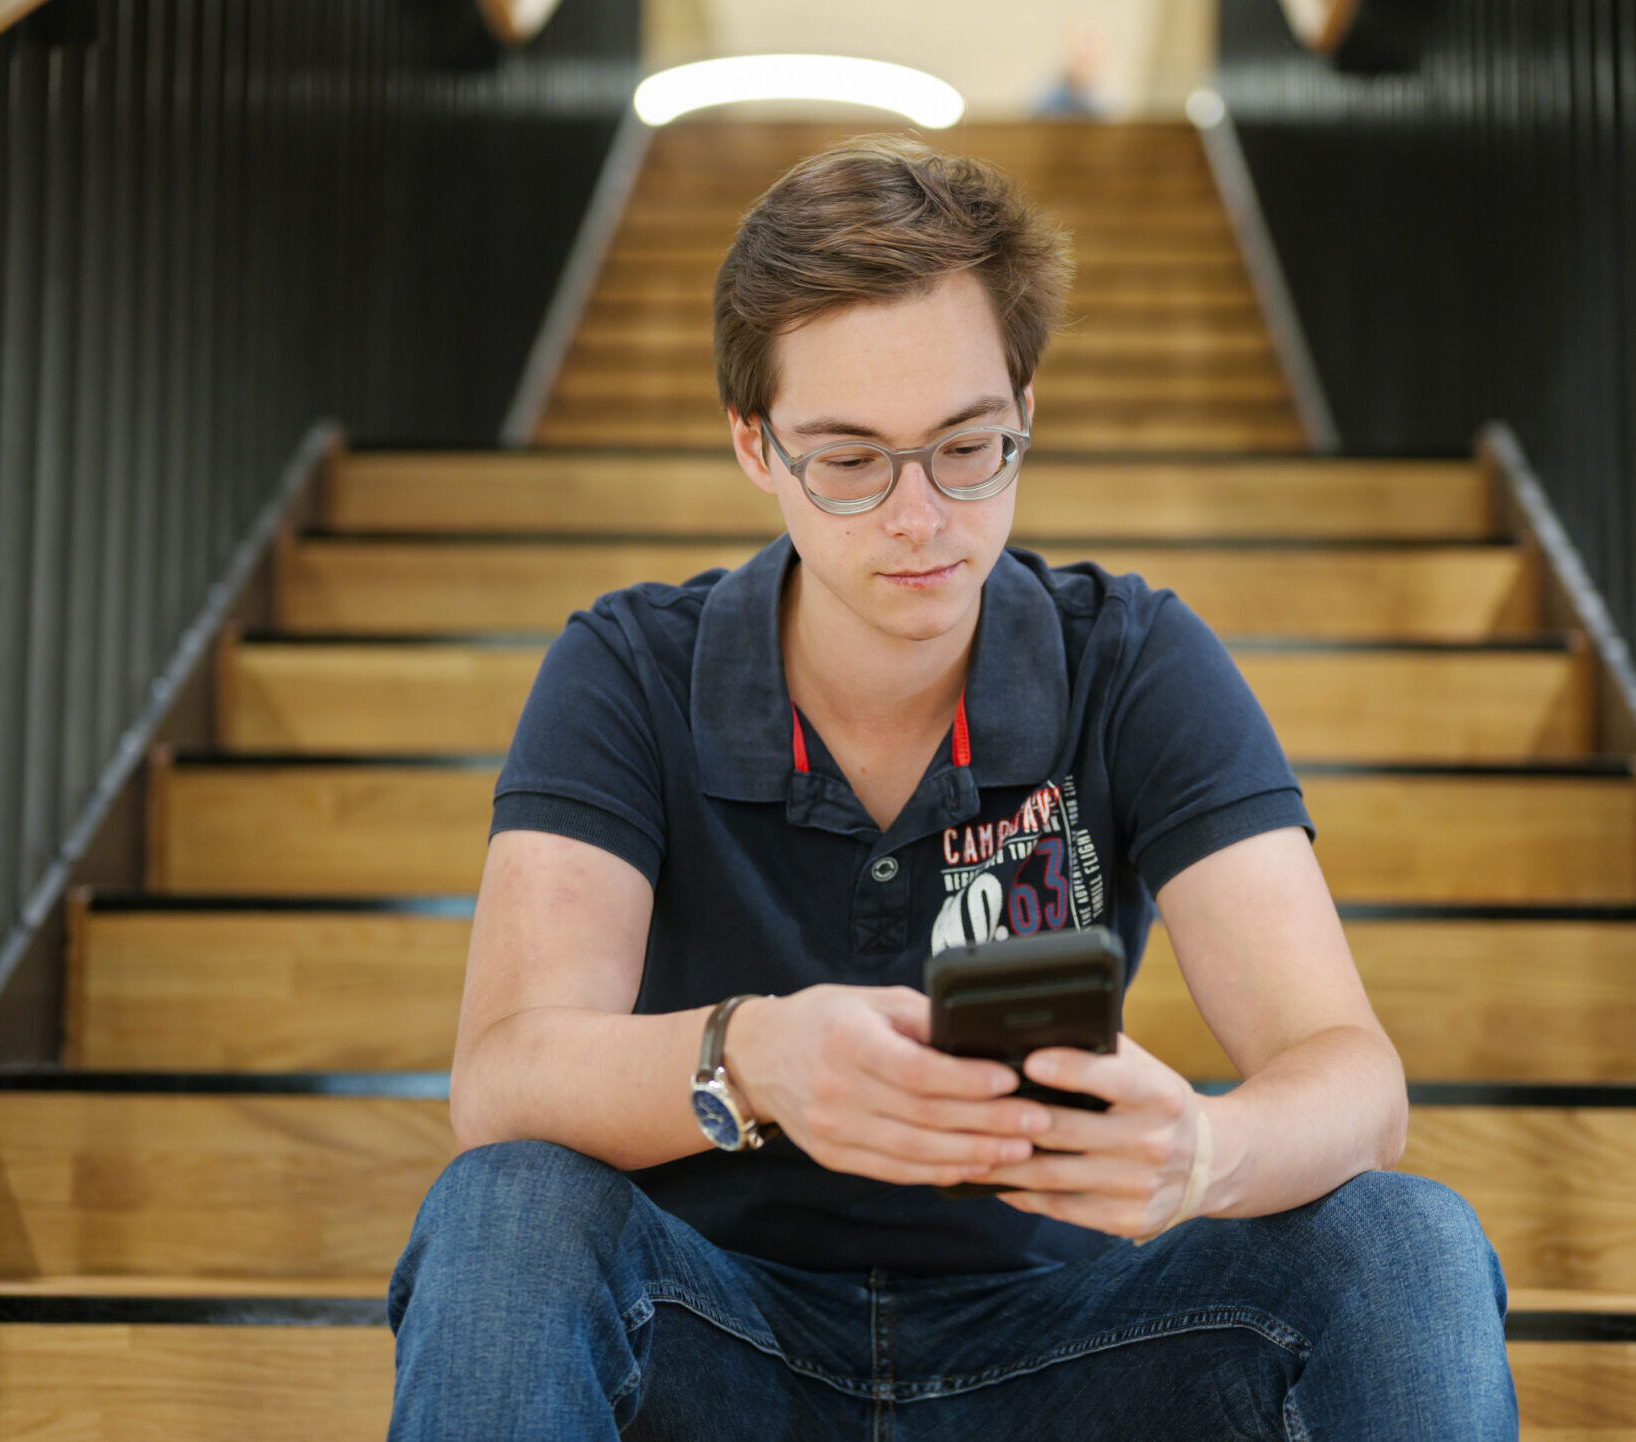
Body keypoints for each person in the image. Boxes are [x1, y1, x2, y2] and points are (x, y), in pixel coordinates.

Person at [385, 135, 1515, 1440]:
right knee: (508, 1204)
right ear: (755, 445)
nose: (921, 517)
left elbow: (1355, 1077)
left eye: (968, 446)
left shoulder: (1135, 658)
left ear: (1026, 404)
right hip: (714, 1332)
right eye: (852, 460)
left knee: (1403, 1234)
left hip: (1072, 1342)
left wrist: (1206, 1155)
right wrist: (745, 1057)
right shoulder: (628, 667)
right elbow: (505, 1078)